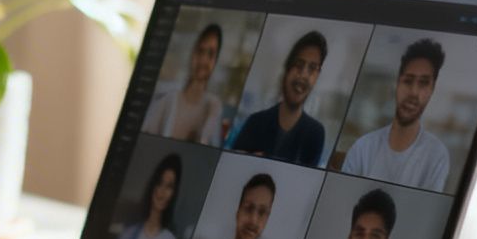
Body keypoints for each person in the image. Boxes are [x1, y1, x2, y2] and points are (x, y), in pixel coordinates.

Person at [339, 39, 452, 192]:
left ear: (431, 90)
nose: (414, 92)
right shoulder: (362, 148)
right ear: (397, 84)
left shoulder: (436, 156)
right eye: (408, 81)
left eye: (423, 83)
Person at [230, 30, 329, 166]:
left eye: (312, 68)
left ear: (317, 76)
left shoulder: (316, 134)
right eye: (298, 65)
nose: (303, 75)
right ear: (287, 70)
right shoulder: (255, 123)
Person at [143, 23, 225, 145]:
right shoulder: (167, 98)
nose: (203, 60)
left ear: (215, 61)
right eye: (200, 51)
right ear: (192, 53)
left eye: (211, 54)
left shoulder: (214, 107)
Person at [105, 155, 182, 239]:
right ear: (153, 186)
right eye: (160, 183)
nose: (162, 192)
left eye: (169, 186)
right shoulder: (128, 232)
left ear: (174, 193)